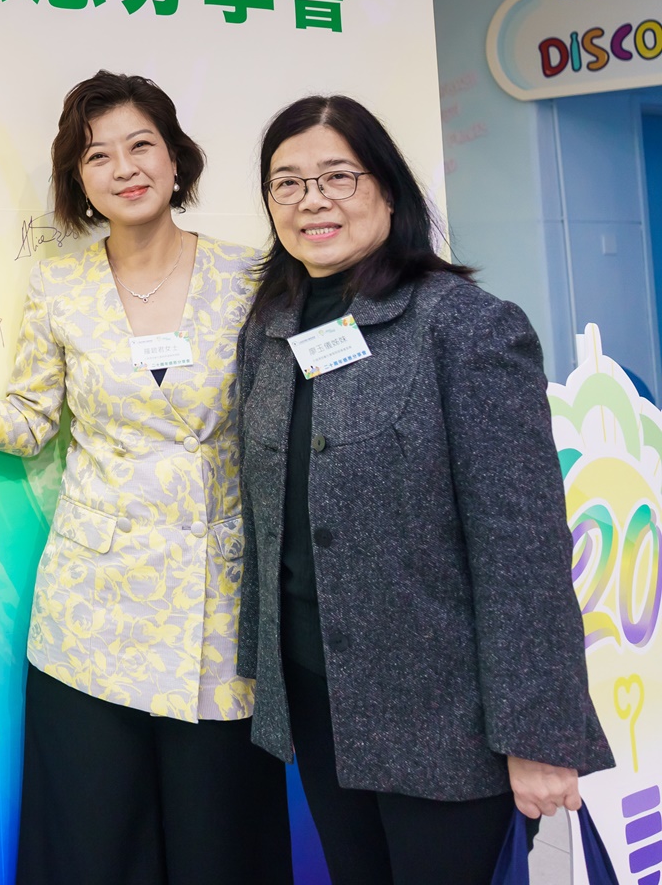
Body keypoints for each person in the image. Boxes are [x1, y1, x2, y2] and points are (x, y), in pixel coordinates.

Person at [0, 71, 291, 885]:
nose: (124, 168)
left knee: (221, 844)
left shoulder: (253, 279)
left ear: (176, 159)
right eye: (98, 156)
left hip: (220, 608)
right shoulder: (60, 285)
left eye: (141, 145)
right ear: (79, 180)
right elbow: (32, 421)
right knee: (97, 846)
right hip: (93, 611)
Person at [235, 95, 612, 885]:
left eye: (337, 177)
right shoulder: (269, 330)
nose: (312, 201)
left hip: (445, 717)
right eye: (288, 183)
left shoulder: (463, 324)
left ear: (389, 188)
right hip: (318, 696)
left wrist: (538, 733)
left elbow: (521, 546)